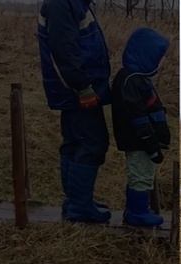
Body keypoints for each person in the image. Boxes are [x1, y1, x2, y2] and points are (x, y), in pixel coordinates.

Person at [37, 0, 112, 223]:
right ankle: (79, 207)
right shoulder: (62, 4)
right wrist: (83, 87)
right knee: (92, 142)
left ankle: (76, 201)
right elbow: (63, 50)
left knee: (75, 142)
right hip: (78, 90)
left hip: (78, 88)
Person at [111, 28, 170, 227]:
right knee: (141, 176)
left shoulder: (137, 78)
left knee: (142, 174)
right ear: (146, 55)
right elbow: (137, 118)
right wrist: (151, 145)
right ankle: (137, 212)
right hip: (138, 142)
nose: (160, 63)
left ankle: (137, 209)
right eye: (158, 57)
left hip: (142, 141)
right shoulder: (131, 80)